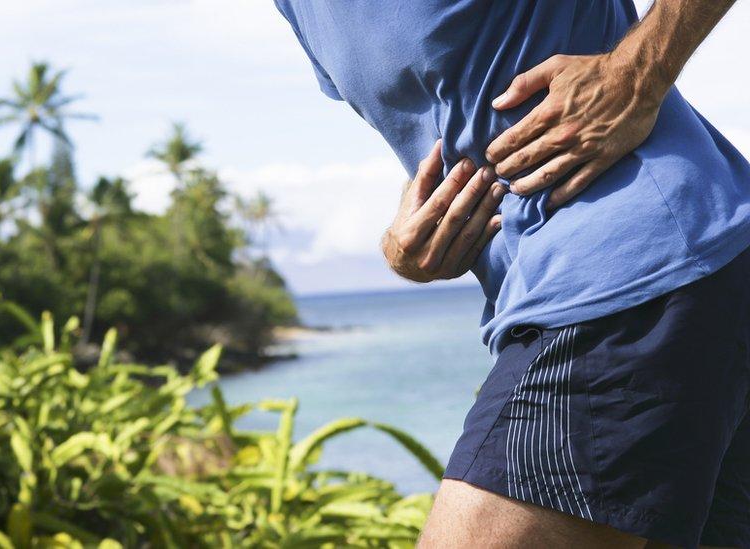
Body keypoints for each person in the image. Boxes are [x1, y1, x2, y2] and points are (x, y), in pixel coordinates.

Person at [273, 1, 750, 547]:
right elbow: (442, 108)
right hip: (649, 283)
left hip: (631, 272)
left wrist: (639, 70)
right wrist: (402, 240)